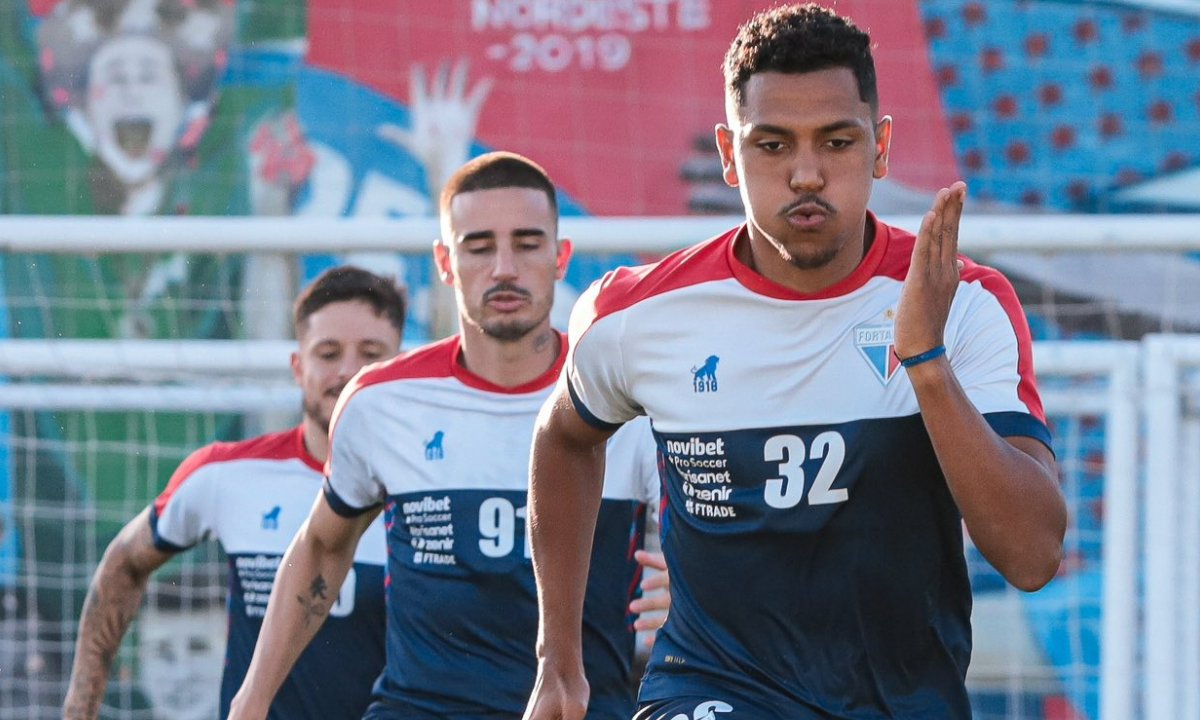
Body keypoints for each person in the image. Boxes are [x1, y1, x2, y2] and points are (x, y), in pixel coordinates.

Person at [523, 4, 1068, 719]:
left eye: (836, 142)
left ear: (881, 146)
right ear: (727, 153)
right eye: (772, 146)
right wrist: (557, 660)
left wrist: (926, 365)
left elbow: (1031, 558)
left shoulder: (963, 303)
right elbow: (562, 437)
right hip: (710, 691)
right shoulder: (636, 313)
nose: (806, 174)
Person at [228, 151, 664, 720]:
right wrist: (251, 700)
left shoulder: (629, 403)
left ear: (560, 257)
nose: (503, 267)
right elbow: (322, 546)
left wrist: (691, 594)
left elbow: (709, 545)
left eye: (527, 244)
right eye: (479, 246)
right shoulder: (380, 401)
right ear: (444, 260)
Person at [62, 265, 408, 720]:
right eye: (328, 353)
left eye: (370, 353)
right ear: (297, 366)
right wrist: (79, 708)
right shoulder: (228, 472)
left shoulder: (427, 489)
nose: (348, 371)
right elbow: (124, 563)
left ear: (400, 366)